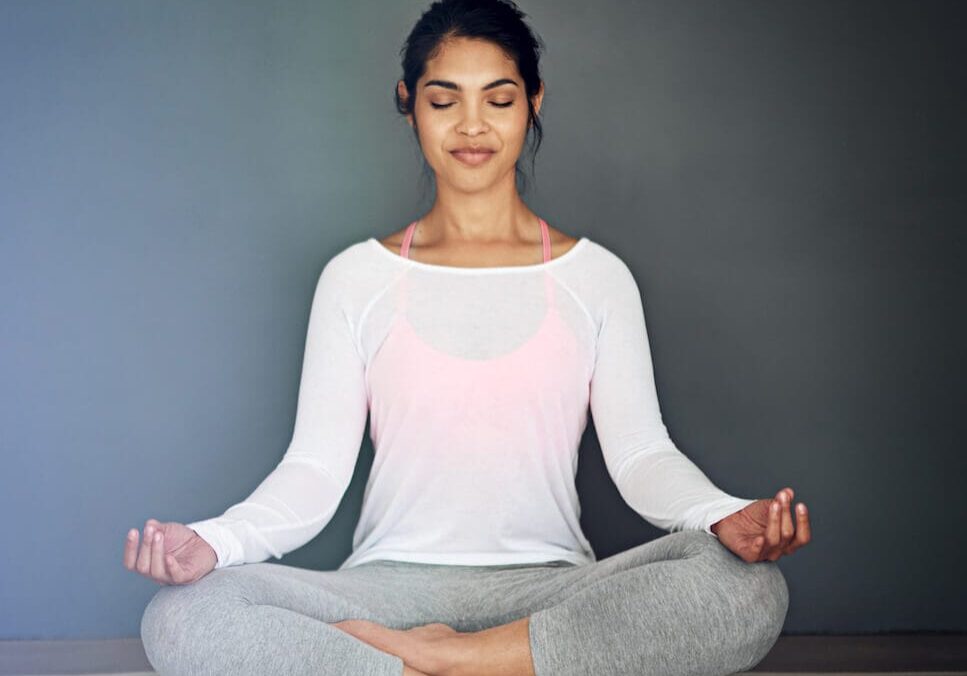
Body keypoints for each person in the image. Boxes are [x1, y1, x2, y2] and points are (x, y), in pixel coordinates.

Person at [124, 1, 812, 674]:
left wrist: (721, 515)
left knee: (745, 588)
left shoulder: (596, 277)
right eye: (444, 98)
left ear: (534, 101)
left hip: (550, 590)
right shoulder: (355, 278)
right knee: (183, 614)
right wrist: (215, 541)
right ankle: (509, 667)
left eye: (499, 98)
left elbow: (640, 456)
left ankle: (426, 662)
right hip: (385, 589)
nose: (472, 125)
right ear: (409, 101)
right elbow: (313, 471)